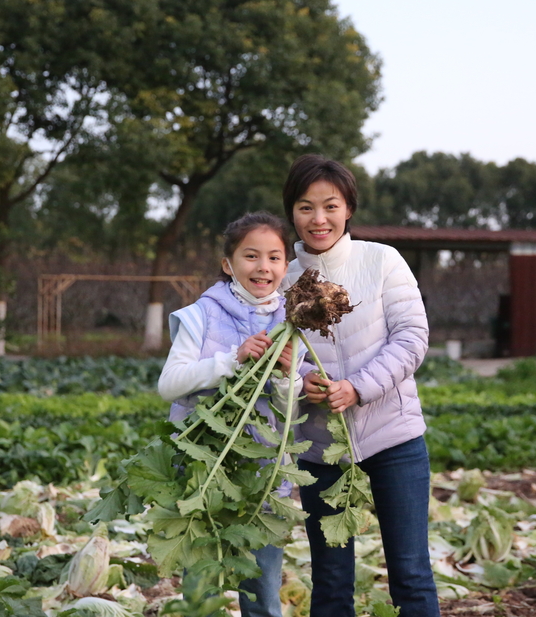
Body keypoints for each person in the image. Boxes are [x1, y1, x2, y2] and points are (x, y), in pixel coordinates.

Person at [280, 154, 440, 617]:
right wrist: (299, 380)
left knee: (410, 574)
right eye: (306, 207)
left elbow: (412, 337)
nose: (319, 218)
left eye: (330, 205)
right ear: (292, 212)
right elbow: (271, 358)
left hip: (394, 436)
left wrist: (358, 387)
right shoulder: (282, 277)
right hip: (319, 446)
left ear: (348, 207)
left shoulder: (382, 260)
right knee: (330, 582)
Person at [158, 211, 301, 617]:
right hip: (204, 472)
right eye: (251, 256)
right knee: (201, 593)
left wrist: (288, 376)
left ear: (285, 267)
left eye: (274, 257)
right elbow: (169, 384)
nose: (263, 267)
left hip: (264, 481)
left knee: (264, 598)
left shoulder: (293, 323)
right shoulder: (199, 315)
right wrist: (232, 360)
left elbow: (291, 408)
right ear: (228, 264)